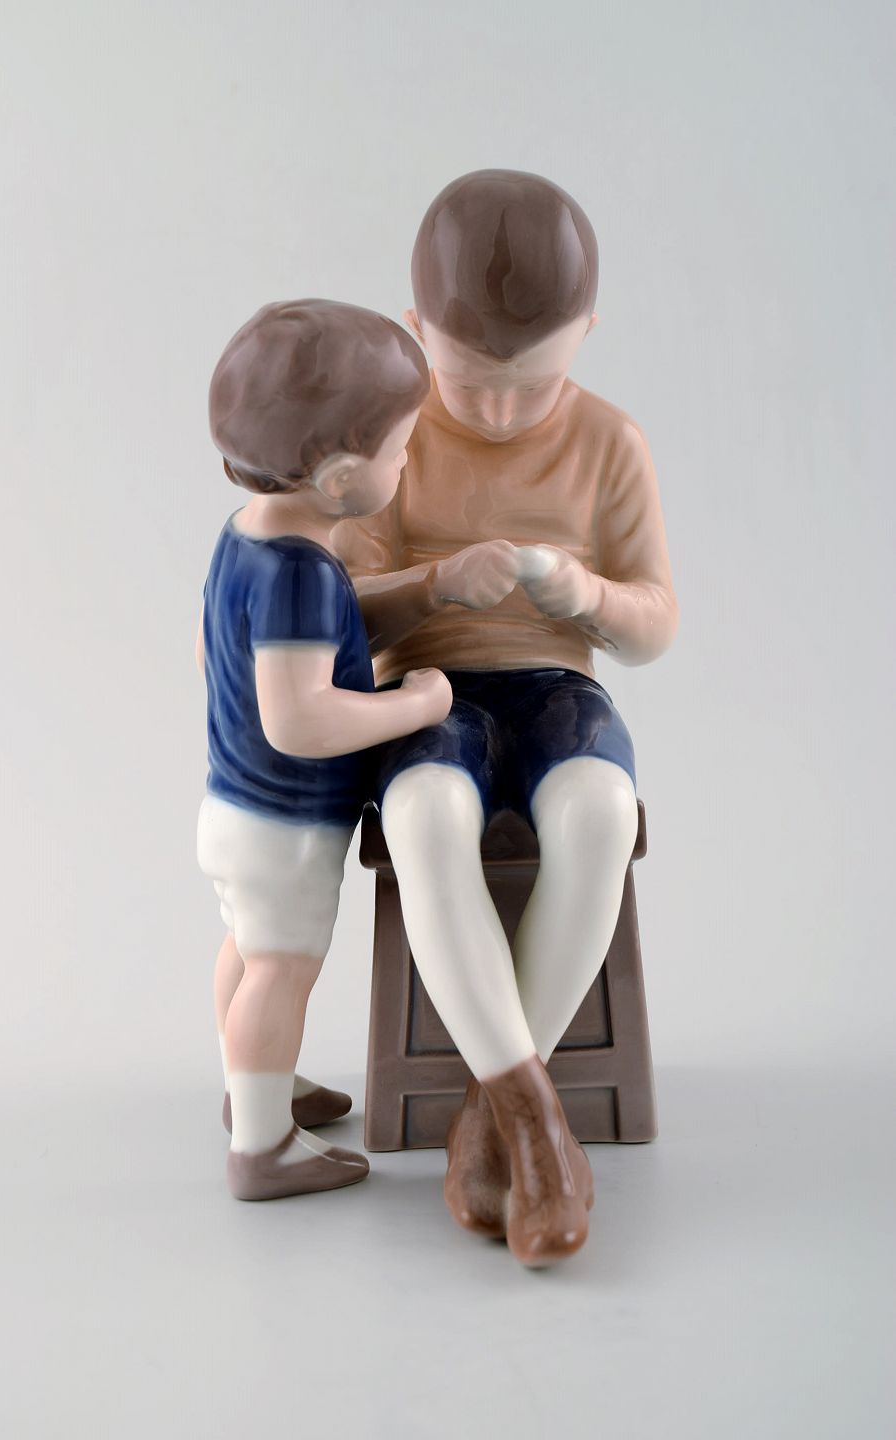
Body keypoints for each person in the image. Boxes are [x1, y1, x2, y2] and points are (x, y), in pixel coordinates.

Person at [334, 170, 678, 1265]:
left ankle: (490, 1124)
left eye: (531, 385)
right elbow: (344, 612)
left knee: (599, 810)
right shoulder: (389, 444)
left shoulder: (611, 443)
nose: (494, 411)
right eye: (467, 382)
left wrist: (585, 595)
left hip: (556, 684)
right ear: (415, 329)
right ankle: (536, 1123)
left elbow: (654, 624)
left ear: (587, 334)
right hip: (430, 688)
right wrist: (435, 585)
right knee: (424, 815)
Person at [197, 299, 451, 1200]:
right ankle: (262, 1147)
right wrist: (414, 705)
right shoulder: (301, 571)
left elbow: (285, 646)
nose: (409, 460)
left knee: (248, 947)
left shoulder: (249, 536)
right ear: (343, 478)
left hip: (233, 807)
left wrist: (428, 593)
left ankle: (253, 1087)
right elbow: (300, 721)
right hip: (286, 821)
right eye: (403, 449)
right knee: (281, 967)